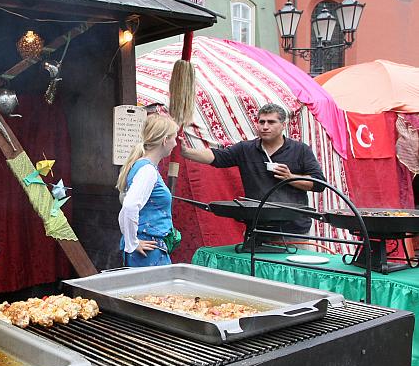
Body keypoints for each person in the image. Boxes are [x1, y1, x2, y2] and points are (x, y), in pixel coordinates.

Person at [179, 103, 326, 234]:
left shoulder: (300, 150)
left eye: (271, 122)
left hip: (294, 230)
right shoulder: (246, 149)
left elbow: (319, 184)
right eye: (261, 122)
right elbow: (216, 157)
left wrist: (290, 178)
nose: (265, 126)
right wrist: (186, 152)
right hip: (257, 228)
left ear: (283, 125)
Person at [116, 114, 179, 267]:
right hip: (149, 249)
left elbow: (126, 208)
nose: (176, 144)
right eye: (174, 138)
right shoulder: (147, 171)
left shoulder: (141, 165)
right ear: (165, 140)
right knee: (156, 292)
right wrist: (132, 243)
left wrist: (130, 239)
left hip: (147, 248)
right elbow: (129, 206)